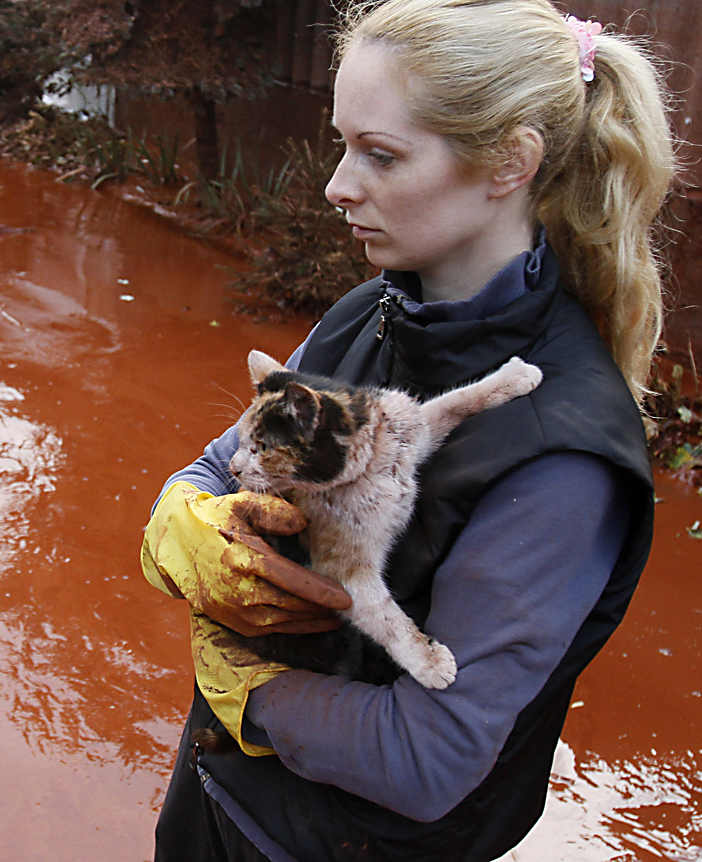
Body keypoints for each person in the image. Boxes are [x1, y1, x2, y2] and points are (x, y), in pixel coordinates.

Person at [139, 1, 677, 860]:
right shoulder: (370, 312)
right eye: (344, 142)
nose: (337, 185)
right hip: (215, 801)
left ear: (511, 162)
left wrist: (251, 693)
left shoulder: (562, 455)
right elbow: (219, 466)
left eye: (381, 155)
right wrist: (179, 516)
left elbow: (431, 755)